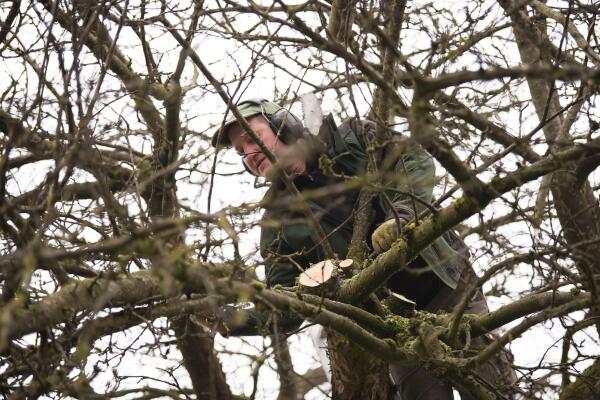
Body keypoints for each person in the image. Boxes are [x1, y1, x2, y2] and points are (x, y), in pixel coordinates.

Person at [211, 98, 516, 399]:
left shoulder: (353, 139)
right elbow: (285, 308)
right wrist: (224, 318)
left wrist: (403, 217)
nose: (248, 155)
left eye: (252, 139)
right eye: (240, 152)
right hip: (394, 327)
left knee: (490, 383)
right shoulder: (278, 225)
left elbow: (413, 160)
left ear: (284, 125)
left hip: (447, 285)